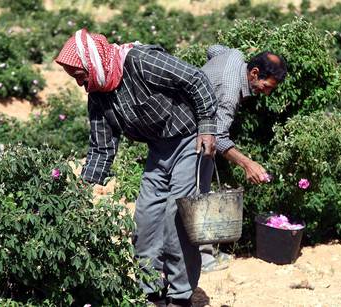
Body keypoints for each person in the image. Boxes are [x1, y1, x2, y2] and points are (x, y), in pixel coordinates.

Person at [55, 29, 218, 307]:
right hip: (158, 151)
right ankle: (152, 293)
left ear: (92, 61)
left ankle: (180, 296)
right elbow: (101, 148)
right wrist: (80, 191)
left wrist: (207, 127)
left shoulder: (141, 62)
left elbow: (196, 79)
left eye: (81, 76)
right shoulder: (98, 95)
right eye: (77, 80)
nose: (82, 85)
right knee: (145, 222)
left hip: (190, 142)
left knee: (177, 218)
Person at [199, 45, 288, 272]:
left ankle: (205, 253)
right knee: (198, 193)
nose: (266, 93)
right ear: (254, 73)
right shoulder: (229, 93)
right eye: (266, 87)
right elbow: (217, 137)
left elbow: (212, 49)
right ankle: (203, 258)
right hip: (193, 132)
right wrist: (247, 163)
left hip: (200, 123)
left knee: (201, 188)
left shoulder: (236, 55)